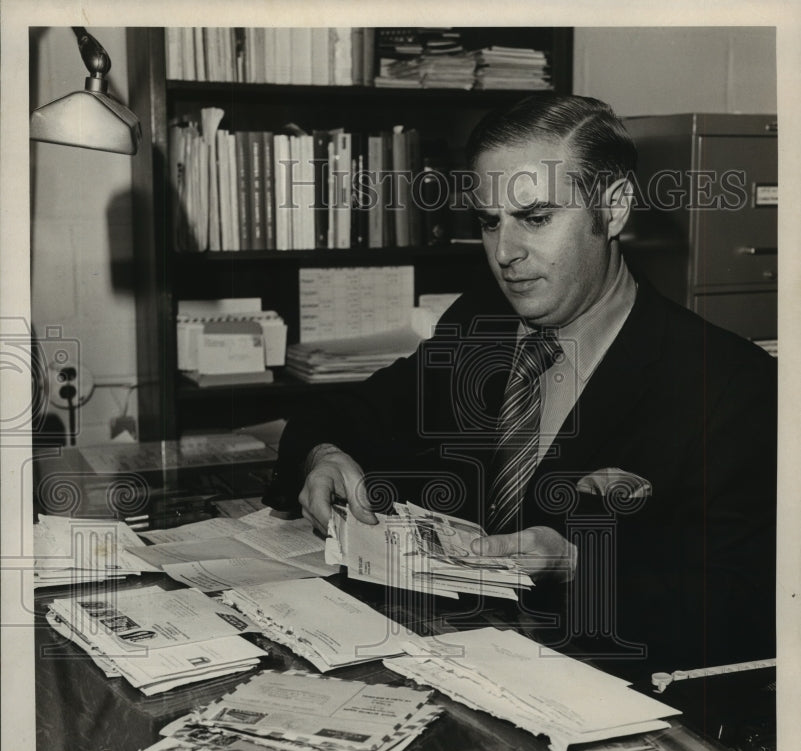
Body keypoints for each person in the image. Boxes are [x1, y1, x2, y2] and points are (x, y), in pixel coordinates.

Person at [272, 94, 776, 682]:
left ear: (612, 210)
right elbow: (345, 412)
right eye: (490, 222)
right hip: (439, 662)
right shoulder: (478, 323)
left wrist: (578, 567)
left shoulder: (730, 385)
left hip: (593, 692)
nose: (506, 253)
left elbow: (746, 608)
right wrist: (323, 454)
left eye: (535, 219)